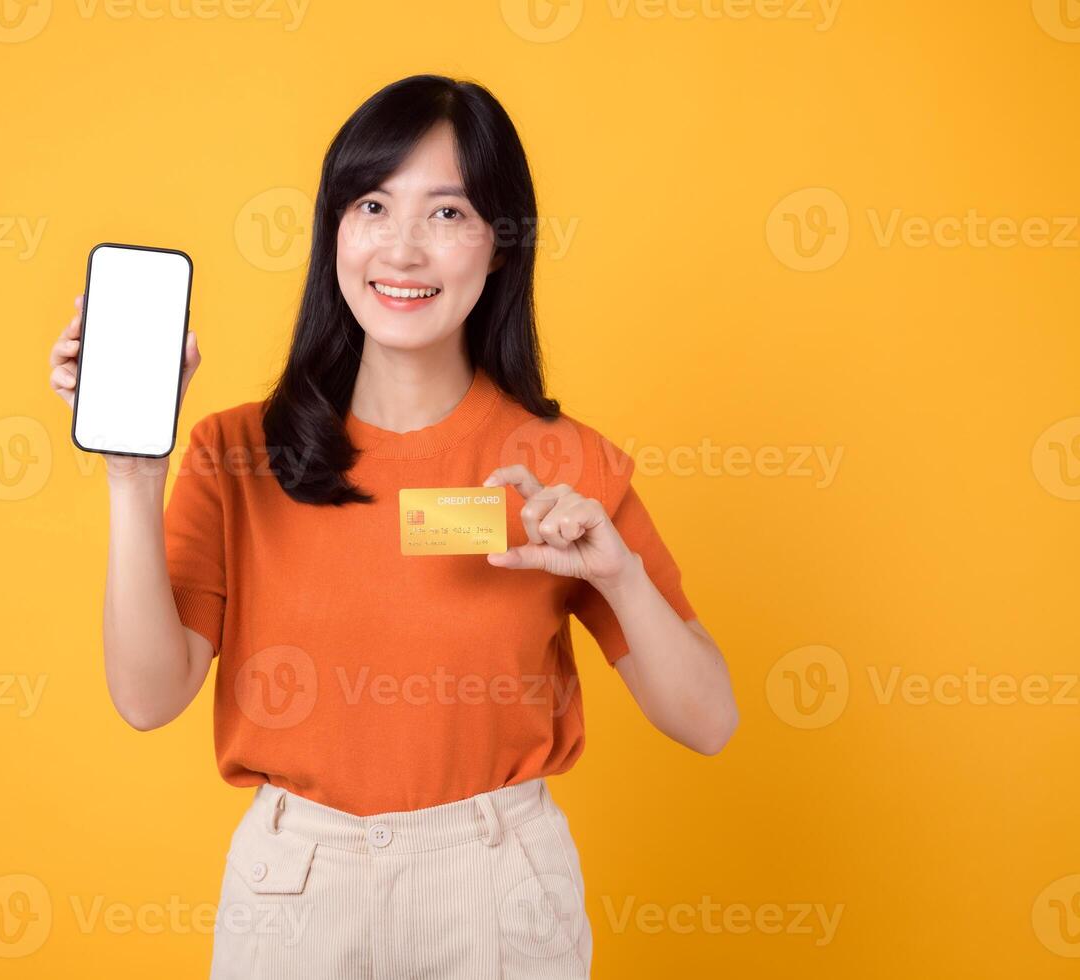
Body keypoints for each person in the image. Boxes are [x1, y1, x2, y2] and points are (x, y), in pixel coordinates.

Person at [48, 73, 738, 979]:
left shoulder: (565, 465)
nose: (403, 249)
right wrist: (134, 480)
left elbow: (710, 720)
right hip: (294, 895)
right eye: (373, 204)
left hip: (496, 891)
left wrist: (617, 576)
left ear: (500, 246)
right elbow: (148, 697)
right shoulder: (235, 455)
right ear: (335, 228)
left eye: (447, 214)